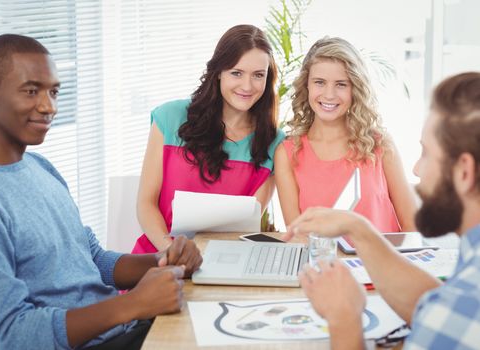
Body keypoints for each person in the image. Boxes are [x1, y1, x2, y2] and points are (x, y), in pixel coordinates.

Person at [0, 34, 202, 350]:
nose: (49, 107)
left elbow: (93, 261)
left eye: (54, 92)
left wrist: (165, 261)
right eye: (31, 91)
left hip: (128, 330)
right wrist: (133, 304)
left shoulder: (41, 167)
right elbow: (16, 334)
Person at [287, 72, 480, 349]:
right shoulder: (469, 269)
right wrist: (359, 229)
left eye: (426, 154)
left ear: (464, 171)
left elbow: (447, 314)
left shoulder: (465, 307)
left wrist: (344, 317)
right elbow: (433, 304)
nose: (416, 169)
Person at [133, 24, 285, 253]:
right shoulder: (169, 118)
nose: (247, 86)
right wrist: (171, 251)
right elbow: (146, 204)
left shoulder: (273, 143)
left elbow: (244, 227)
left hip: (226, 260)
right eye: (236, 73)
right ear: (218, 73)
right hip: (159, 256)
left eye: (258, 75)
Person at [275, 37, 417, 232]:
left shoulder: (380, 145)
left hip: (380, 263)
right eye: (319, 82)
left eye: (341, 84)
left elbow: (413, 229)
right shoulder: (288, 153)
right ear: (306, 85)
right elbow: (297, 236)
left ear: (355, 89)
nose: (329, 94)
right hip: (323, 262)